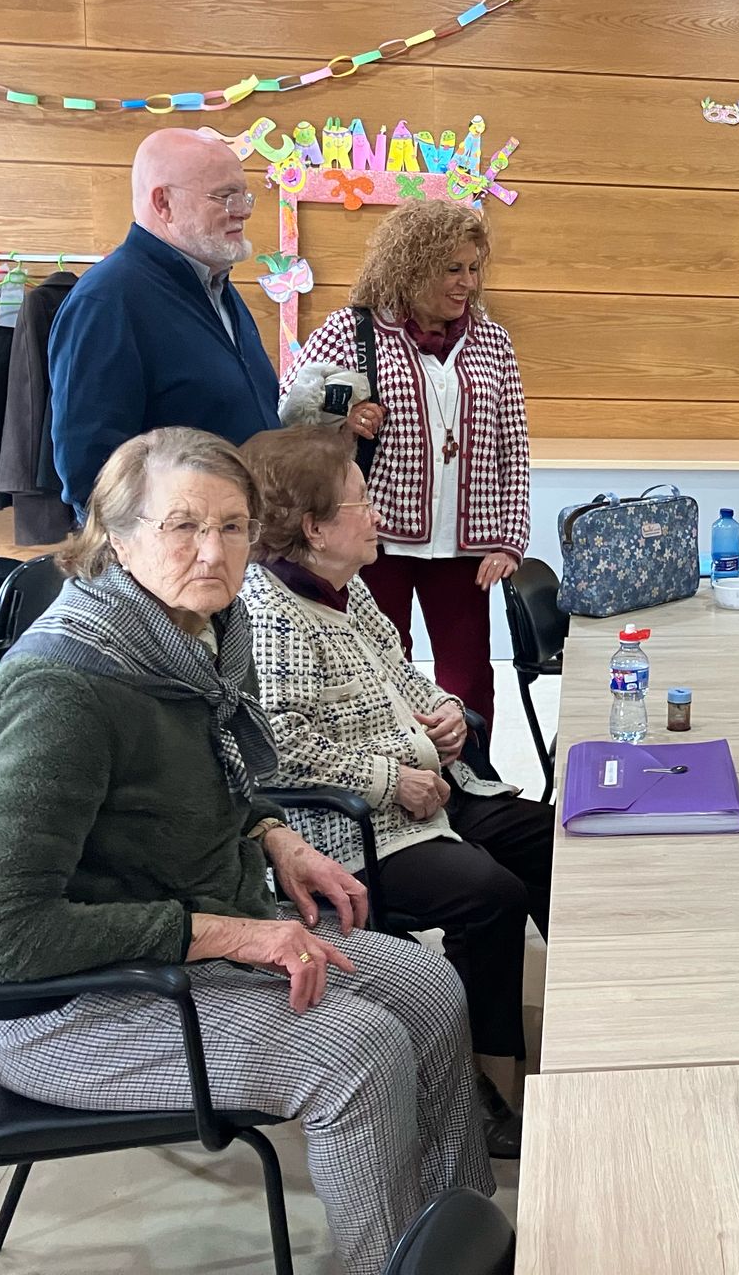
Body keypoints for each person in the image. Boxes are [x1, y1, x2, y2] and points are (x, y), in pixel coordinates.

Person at [0, 428, 492, 1273]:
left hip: (178, 930)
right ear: (117, 536)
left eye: (233, 526)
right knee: (356, 1051)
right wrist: (237, 934)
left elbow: (187, 787)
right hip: (63, 1004)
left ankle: (452, 1242)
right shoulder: (65, 691)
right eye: (183, 526)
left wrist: (270, 833)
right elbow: (0, 934)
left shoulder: (196, 634)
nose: (214, 551)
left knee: (427, 986)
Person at [237, 425, 553, 1157]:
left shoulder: (348, 590)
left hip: (424, 787)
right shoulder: (272, 614)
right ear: (315, 527)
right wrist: (389, 780)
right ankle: (480, 1084)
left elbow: (404, 675)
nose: (378, 513)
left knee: (545, 840)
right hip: (348, 827)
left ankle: (584, 1021)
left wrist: (446, 711)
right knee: (490, 895)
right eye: (361, 501)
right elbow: (278, 747)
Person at [282, 202, 529, 723]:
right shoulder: (351, 331)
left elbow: (513, 445)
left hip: (466, 544)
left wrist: (511, 539)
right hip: (377, 538)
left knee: (469, 680)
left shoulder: (492, 340)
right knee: (382, 672)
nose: (467, 283)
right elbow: (290, 409)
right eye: (452, 268)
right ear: (412, 266)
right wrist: (345, 416)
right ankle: (402, 765)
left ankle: (471, 768)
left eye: (473, 268)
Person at [49, 129, 280, 510]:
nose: (243, 210)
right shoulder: (108, 300)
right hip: (178, 542)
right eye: (225, 196)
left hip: (237, 533)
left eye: (244, 195)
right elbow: (89, 473)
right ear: (164, 203)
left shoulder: (216, 287)